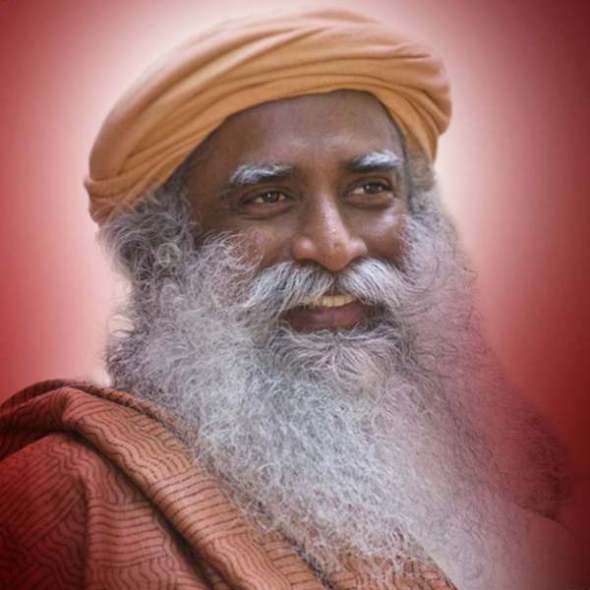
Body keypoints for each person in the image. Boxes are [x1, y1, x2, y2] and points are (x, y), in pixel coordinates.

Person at [0, 8, 586, 590]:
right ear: (162, 251)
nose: (334, 247)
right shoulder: (70, 494)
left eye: (370, 189)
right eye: (268, 198)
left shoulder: (515, 512)